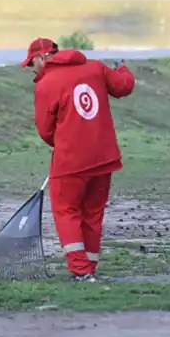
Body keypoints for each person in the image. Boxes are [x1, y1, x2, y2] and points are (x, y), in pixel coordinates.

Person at [23, 37, 135, 282]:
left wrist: (62, 144)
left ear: (42, 58)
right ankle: (89, 267)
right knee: (92, 213)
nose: (32, 69)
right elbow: (123, 87)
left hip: (71, 161)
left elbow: (45, 130)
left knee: (67, 211)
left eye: (32, 63)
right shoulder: (95, 68)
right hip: (104, 157)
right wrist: (122, 68)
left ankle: (80, 270)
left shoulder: (46, 85)